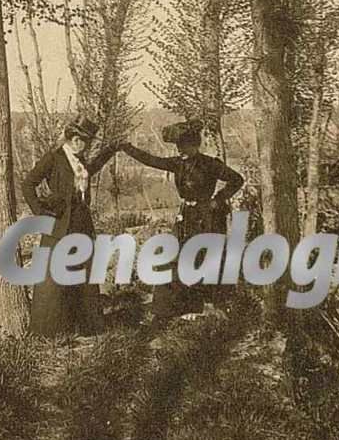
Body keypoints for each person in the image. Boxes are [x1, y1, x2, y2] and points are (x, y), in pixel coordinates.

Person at [121, 119, 244, 320]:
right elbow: (151, 160)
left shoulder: (211, 164)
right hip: (186, 216)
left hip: (207, 217)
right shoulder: (177, 164)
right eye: (179, 146)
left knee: (205, 258)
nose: (181, 150)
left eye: (185, 146)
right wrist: (127, 148)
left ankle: (211, 305)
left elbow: (237, 180)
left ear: (195, 145)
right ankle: (174, 308)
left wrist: (218, 200)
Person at [21, 116, 117, 338]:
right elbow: (28, 184)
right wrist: (40, 212)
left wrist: (113, 149)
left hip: (81, 224)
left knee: (82, 275)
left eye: (89, 142)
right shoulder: (53, 159)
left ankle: (85, 327)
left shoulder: (80, 161)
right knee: (53, 279)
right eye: (85, 141)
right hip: (58, 224)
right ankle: (49, 331)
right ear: (74, 139)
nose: (88, 146)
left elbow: (94, 166)